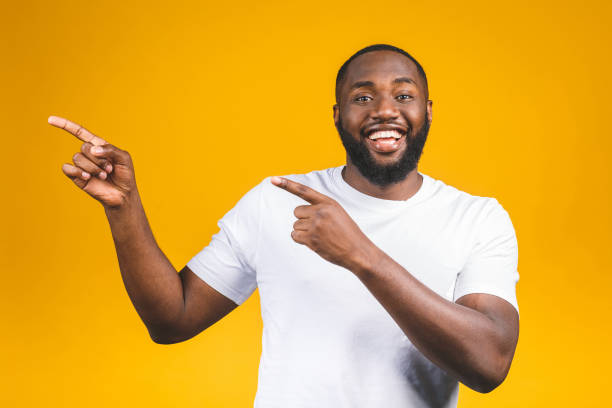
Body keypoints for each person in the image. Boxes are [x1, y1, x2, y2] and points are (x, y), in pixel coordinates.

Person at [50, 43, 519, 408]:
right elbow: (172, 319)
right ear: (339, 116)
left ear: (428, 111)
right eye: (362, 97)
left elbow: (489, 364)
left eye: (403, 94)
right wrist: (124, 208)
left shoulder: (477, 217)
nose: (383, 109)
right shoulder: (276, 202)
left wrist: (361, 255)